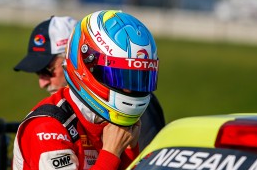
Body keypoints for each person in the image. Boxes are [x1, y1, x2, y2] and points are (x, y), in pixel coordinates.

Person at [3, 10, 160, 170]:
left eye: (137, 79)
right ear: (87, 69)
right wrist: (111, 153)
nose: (130, 91)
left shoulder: (113, 120)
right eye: (119, 77)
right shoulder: (47, 125)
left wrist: (129, 150)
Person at [13, 15, 165, 149]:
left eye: (47, 70)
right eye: (38, 73)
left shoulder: (130, 104)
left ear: (74, 59)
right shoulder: (58, 115)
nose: (42, 83)